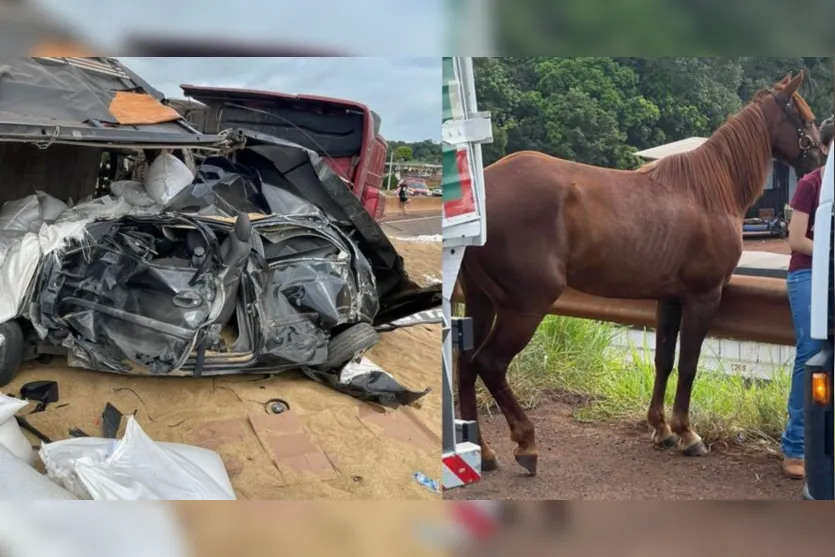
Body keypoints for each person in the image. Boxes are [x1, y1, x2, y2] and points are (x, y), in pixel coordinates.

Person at [782, 115, 833, 479]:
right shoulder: (811, 184)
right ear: (826, 148)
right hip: (807, 273)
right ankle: (795, 448)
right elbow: (797, 240)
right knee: (811, 352)